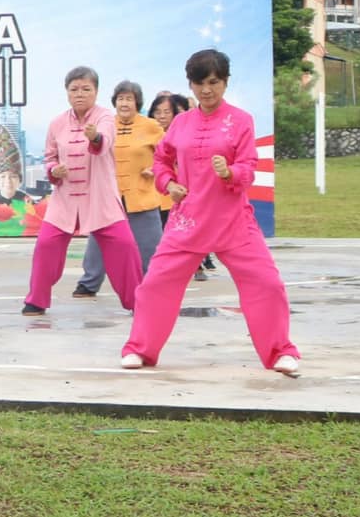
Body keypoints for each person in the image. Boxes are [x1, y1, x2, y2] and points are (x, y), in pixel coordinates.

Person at [121, 49, 301, 376]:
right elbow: (161, 161)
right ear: (190, 85)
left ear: (226, 82)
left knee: (267, 284)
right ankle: (140, 350)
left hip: (233, 222)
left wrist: (229, 172)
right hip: (187, 221)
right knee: (154, 285)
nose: (207, 90)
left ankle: (280, 353)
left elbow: (248, 168)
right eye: (199, 83)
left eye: (214, 82)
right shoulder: (180, 124)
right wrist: (168, 184)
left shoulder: (242, 120)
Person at [21, 67, 142, 314]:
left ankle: (137, 302)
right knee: (46, 245)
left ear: (96, 92)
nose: (80, 94)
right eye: (74, 89)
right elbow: (49, 157)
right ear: (66, 93)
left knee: (124, 245)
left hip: (101, 199)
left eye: (86, 89)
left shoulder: (106, 117)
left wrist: (94, 137)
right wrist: (54, 170)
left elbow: (105, 141)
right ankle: (36, 299)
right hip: (65, 200)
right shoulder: (56, 123)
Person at [75, 81, 164, 298]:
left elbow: (169, 155)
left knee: (149, 246)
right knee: (98, 241)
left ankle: (150, 286)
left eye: (129, 99)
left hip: (141, 194)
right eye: (121, 99)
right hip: (109, 193)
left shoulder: (151, 126)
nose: (125, 103)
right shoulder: (105, 124)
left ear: (137, 103)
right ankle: (88, 283)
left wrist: (155, 169)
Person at [147, 91, 212, 282]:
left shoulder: (184, 132)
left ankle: (197, 264)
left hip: (180, 193)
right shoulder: (147, 131)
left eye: (166, 111)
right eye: (157, 111)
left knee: (187, 231)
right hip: (155, 193)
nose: (161, 116)